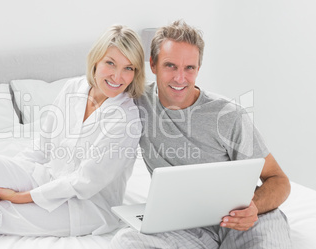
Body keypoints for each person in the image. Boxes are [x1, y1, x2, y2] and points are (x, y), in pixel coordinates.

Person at [0, 24, 145, 249]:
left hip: (87, 207)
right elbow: (41, 148)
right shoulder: (72, 88)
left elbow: (83, 183)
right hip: (49, 178)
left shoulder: (126, 119)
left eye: (129, 68)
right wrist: (10, 177)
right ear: (96, 60)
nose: (118, 76)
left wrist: (20, 196)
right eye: (110, 63)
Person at [110, 20, 292, 249]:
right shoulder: (135, 103)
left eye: (189, 68)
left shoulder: (228, 115)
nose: (180, 78)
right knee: (124, 242)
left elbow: (279, 180)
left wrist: (253, 206)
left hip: (244, 218)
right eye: (170, 66)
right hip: (183, 225)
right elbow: (99, 83)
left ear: (198, 69)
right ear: (153, 65)